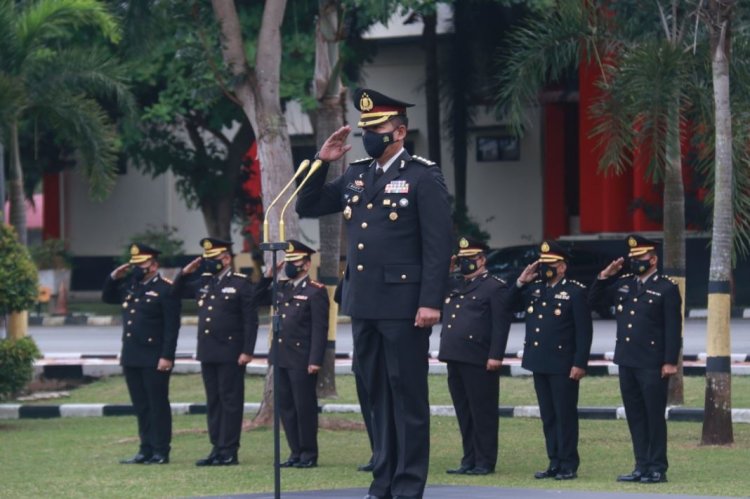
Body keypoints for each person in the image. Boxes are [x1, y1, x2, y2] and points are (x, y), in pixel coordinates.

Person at [296, 88, 453, 499]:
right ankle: (382, 479)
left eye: (377, 128)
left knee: (408, 396)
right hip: (363, 303)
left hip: (404, 307)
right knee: (374, 395)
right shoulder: (356, 173)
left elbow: (438, 246)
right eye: (365, 128)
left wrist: (431, 301)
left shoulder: (423, 176)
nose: (369, 134)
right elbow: (307, 207)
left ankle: (407, 485)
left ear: (399, 132)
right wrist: (319, 162)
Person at [589, 235, 681, 484]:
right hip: (627, 360)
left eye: (639, 258)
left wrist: (670, 361)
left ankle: (657, 467)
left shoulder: (666, 287)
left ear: (653, 259)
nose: (634, 262)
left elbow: (673, 328)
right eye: (632, 258)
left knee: (653, 416)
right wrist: (604, 276)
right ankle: (641, 465)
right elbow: (593, 301)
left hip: (652, 362)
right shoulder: (624, 284)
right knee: (635, 416)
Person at [172, 237, 258, 466]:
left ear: (227, 259)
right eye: (206, 259)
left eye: (213, 259)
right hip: (208, 351)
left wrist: (247, 350)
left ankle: (229, 449)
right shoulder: (204, 282)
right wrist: (185, 273)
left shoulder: (240, 283)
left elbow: (250, 320)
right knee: (214, 401)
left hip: (231, 351)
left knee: (230, 401)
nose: (208, 263)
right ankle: (216, 447)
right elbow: (176, 292)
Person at [511, 241, 593, 481]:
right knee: (548, 415)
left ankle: (568, 463)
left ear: (562, 267)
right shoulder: (535, 288)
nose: (545, 268)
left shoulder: (575, 291)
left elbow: (584, 332)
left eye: (550, 264)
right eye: (543, 263)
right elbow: (509, 304)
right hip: (539, 361)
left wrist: (580, 363)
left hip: (563, 363)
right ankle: (554, 461)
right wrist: (520, 281)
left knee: (564, 414)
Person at [439, 236, 512, 476]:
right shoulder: (455, 284)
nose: (465, 264)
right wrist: (446, 271)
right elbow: (434, 290)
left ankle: (485, 461)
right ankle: (468, 458)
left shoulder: (494, 286)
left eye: (470, 259)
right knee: (464, 412)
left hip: (479, 358)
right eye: (462, 260)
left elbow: (501, 325)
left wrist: (496, 355)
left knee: (483, 413)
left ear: (482, 259)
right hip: (454, 356)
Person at [102, 243, 180, 465]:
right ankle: (145, 448)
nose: (137, 267)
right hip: (132, 355)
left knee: (157, 405)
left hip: (155, 357)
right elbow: (107, 297)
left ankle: (160, 450)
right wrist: (114, 277)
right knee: (141, 406)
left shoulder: (166, 289)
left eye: (141, 263)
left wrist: (167, 356)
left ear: (154, 265)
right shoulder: (131, 286)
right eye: (134, 263)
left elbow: (171, 328)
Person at [255, 240, 329, 469]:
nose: (290, 266)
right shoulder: (283, 287)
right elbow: (256, 299)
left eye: (295, 262)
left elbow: (319, 329)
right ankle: (295, 451)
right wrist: (269, 276)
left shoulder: (315, 291)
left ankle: (308, 453)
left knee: (303, 407)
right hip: (281, 357)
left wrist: (315, 360)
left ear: (306, 265)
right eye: (288, 262)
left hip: (302, 358)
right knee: (286, 406)